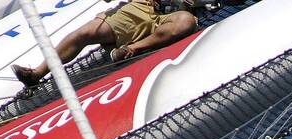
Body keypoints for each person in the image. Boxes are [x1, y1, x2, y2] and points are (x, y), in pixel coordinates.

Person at [13, 1, 199, 88]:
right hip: (141, 6)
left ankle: (130, 49)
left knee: (185, 21)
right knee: (84, 33)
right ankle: (37, 73)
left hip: (172, 16)